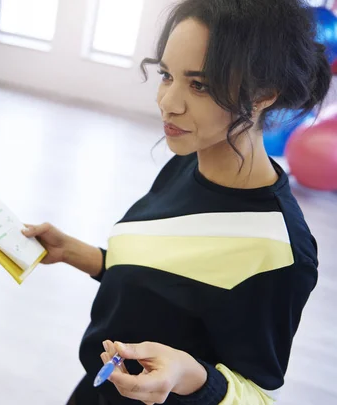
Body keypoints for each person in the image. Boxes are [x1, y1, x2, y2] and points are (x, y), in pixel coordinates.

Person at [23, 0, 332, 404]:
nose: (169, 102)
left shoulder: (278, 251)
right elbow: (171, 279)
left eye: (199, 85)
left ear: (263, 95)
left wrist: (193, 377)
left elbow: (257, 395)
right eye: (167, 75)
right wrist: (77, 253)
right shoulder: (187, 164)